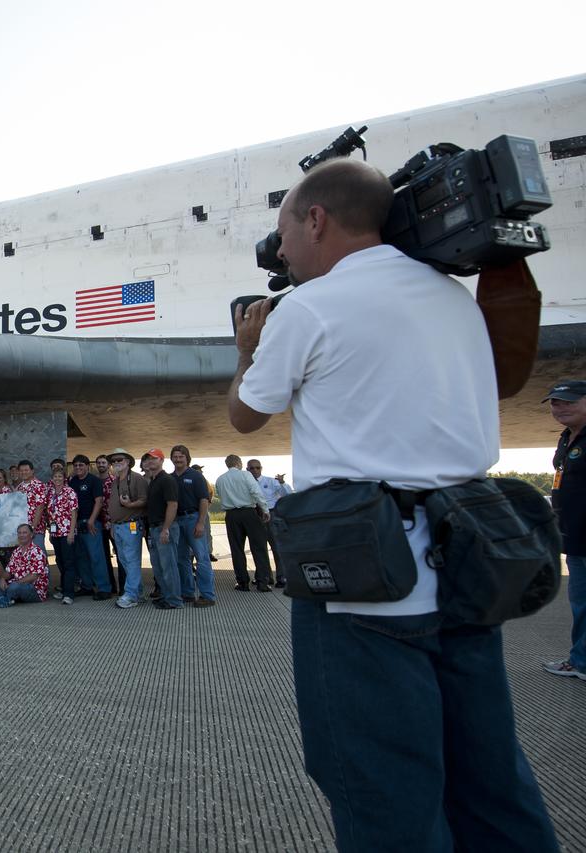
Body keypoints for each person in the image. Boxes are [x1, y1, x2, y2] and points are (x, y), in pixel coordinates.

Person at [229, 158, 557, 850]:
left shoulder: (308, 308)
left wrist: (247, 351)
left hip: (364, 592)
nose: (280, 251)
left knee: (384, 796)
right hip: (469, 574)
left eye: (283, 231)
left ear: (316, 219)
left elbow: (245, 416)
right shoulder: (451, 299)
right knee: (493, 783)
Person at [544, 379, 586, 680]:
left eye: (570, 400)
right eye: (556, 402)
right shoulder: (566, 437)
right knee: (581, 603)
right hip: (575, 538)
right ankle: (581, 661)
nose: (560, 407)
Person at [215, 455, 274, 591]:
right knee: (259, 547)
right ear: (239, 463)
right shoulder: (246, 475)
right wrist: (265, 509)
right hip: (249, 512)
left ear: (227, 464)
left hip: (231, 515)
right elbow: (256, 492)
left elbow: (221, 495)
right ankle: (262, 582)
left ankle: (242, 582)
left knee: (236, 549)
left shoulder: (220, 479)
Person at [171, 446, 215, 606]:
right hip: (177, 521)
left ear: (187, 458)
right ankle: (188, 592)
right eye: (175, 457)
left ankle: (207, 595)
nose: (178, 459)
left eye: (181, 456)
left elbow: (203, 500)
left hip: (193, 518)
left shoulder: (196, 476)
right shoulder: (170, 478)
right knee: (182, 558)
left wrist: (201, 523)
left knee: (202, 557)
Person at [106, 448, 149, 609]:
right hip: (117, 526)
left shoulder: (137, 479)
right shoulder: (115, 481)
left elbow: (144, 500)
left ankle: (131, 595)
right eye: (114, 461)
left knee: (131, 560)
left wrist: (130, 505)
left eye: (120, 460)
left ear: (128, 462)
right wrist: (112, 523)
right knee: (124, 560)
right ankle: (137, 593)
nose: (116, 462)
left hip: (131, 525)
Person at [141, 449, 183, 610]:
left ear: (162, 460)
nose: (150, 461)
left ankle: (174, 600)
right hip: (154, 528)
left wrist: (166, 529)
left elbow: (172, 505)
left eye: (154, 458)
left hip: (165, 528)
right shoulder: (154, 481)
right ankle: (166, 596)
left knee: (169, 566)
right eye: (148, 459)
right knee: (158, 566)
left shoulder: (167, 480)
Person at [66, 455, 112, 601]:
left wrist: (92, 520)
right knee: (81, 557)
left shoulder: (94, 480)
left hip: (91, 524)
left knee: (96, 557)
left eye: (81, 465)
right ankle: (87, 586)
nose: (78, 468)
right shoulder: (72, 481)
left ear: (87, 466)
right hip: (76, 523)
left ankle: (104, 589)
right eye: (76, 465)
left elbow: (98, 502)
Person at [247, 459, 291, 586]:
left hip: (272, 514)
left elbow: (287, 494)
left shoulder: (271, 481)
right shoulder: (246, 483)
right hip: (255, 514)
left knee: (276, 546)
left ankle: (281, 577)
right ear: (247, 469)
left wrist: (282, 483)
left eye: (257, 467)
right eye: (252, 468)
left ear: (261, 468)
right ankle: (264, 576)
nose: (255, 470)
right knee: (259, 548)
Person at [0, 524, 50, 606]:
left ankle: (0, 597)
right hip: (14, 584)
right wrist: (2, 579)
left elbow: (34, 576)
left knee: (14, 587)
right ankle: (2, 599)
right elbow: (8, 572)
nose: (21, 535)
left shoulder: (37, 552)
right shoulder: (17, 551)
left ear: (31, 535)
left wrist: (16, 583)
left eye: (24, 533)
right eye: (19, 533)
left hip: (34, 589)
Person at [44, 469, 78, 601]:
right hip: (55, 533)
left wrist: (71, 532)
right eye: (55, 476)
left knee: (69, 562)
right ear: (51, 479)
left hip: (66, 532)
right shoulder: (51, 493)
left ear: (64, 478)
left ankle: (69, 594)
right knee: (60, 562)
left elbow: (74, 513)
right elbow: (50, 514)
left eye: (60, 476)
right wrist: (51, 533)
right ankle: (64, 588)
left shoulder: (69, 492)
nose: (57, 478)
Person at [96, 454, 120, 592]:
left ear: (108, 465)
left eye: (103, 462)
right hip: (99, 524)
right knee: (104, 557)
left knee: (120, 556)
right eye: (98, 463)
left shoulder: (114, 481)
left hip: (113, 523)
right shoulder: (94, 481)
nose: (101, 465)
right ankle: (111, 587)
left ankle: (123, 587)